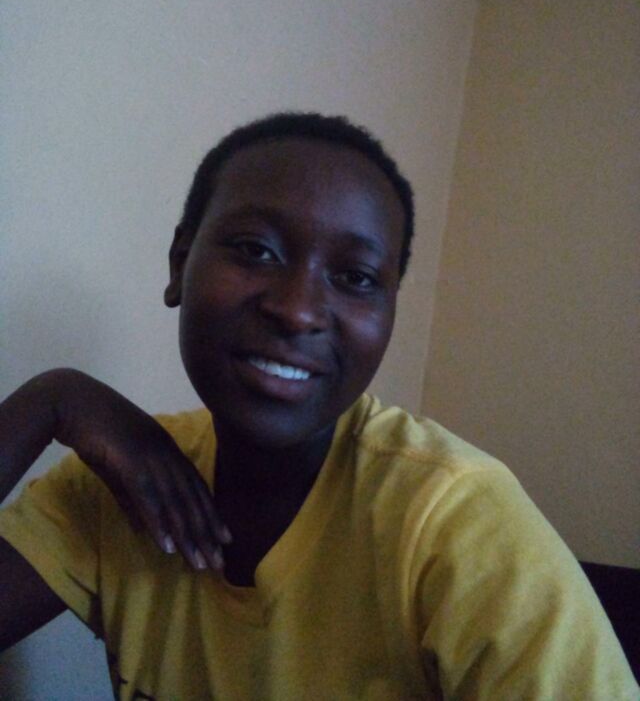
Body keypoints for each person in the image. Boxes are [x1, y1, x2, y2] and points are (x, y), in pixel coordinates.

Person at [0, 112, 636, 700]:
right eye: (256, 249)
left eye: (356, 277)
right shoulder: (125, 483)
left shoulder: (456, 519)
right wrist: (51, 400)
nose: (297, 309)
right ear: (179, 262)